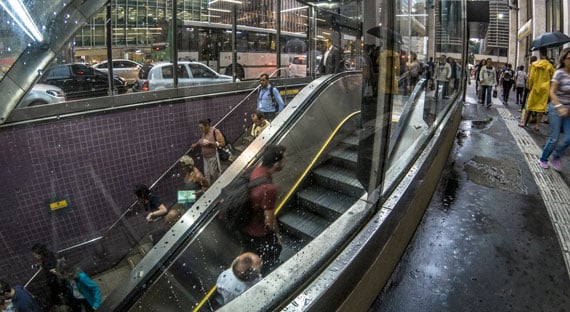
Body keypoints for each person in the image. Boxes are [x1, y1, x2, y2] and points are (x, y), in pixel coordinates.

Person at [239, 145, 287, 276]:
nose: (285, 161)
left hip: (245, 226)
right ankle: (265, 275)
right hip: (259, 233)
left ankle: (249, 274)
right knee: (274, 250)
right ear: (276, 163)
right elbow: (269, 221)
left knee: (251, 253)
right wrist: (277, 236)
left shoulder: (255, 170)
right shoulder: (269, 189)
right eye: (284, 159)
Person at [538, 47, 570, 171]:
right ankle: (543, 158)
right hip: (556, 108)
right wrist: (559, 107)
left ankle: (556, 156)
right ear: (564, 59)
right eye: (568, 58)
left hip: (568, 110)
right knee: (554, 138)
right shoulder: (559, 73)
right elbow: (552, 92)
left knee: (568, 139)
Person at [520, 48, 555, 130]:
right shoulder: (549, 65)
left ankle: (524, 121)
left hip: (535, 87)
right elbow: (553, 77)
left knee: (529, 105)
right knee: (541, 108)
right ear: (546, 54)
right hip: (544, 89)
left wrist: (529, 87)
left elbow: (531, 77)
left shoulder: (534, 64)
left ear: (540, 54)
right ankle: (537, 125)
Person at [31, 243, 66, 309]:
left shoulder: (47, 261)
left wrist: (61, 275)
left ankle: (60, 304)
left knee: (55, 293)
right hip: (56, 279)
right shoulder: (49, 254)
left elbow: (53, 270)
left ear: (40, 253)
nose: (34, 257)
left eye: (35, 255)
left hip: (54, 280)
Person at [190, 119, 226, 183]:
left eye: (201, 128)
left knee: (214, 174)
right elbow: (201, 140)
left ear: (207, 126)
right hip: (205, 158)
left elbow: (222, 143)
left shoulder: (215, 131)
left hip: (213, 157)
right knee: (207, 174)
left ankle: (218, 185)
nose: (200, 130)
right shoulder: (204, 132)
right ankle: (209, 188)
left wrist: (210, 143)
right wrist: (195, 144)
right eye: (199, 128)